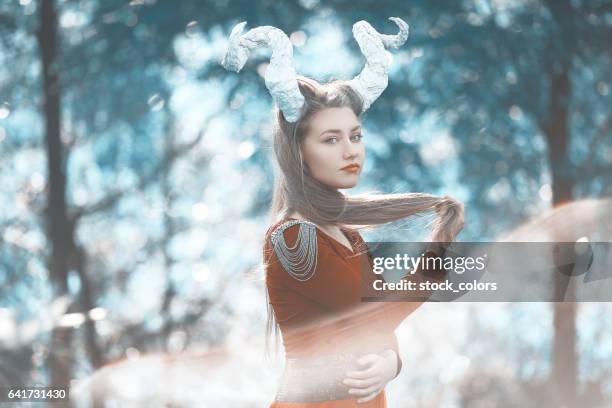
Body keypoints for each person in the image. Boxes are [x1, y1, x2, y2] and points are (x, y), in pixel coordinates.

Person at [221, 17, 464, 407]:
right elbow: (374, 312)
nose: (350, 150)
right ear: (299, 151)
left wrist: (391, 361)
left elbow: (366, 324)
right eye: (331, 139)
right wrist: (435, 263)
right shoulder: (293, 238)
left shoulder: (348, 235)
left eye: (355, 136)